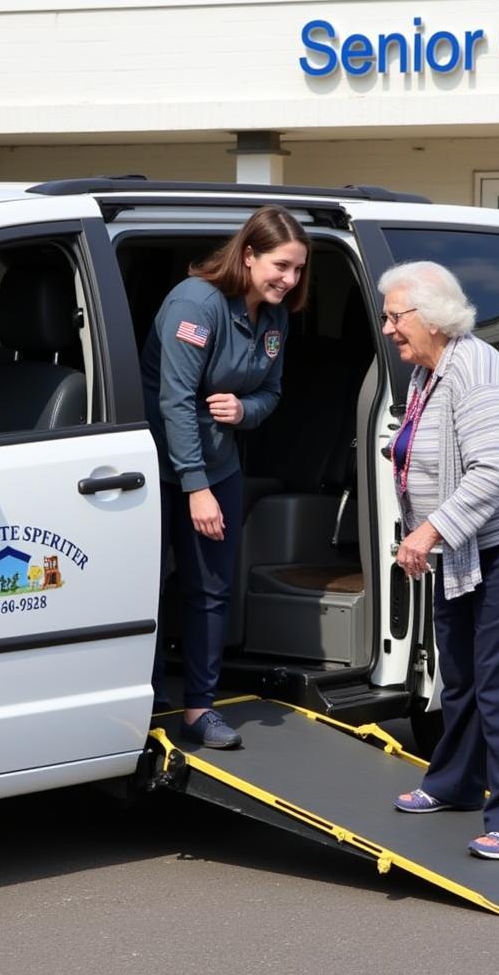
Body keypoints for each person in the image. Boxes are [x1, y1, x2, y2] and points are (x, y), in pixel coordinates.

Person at [380, 260, 499, 861]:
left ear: (433, 318)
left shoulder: (477, 372)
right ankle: (455, 782)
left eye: (394, 316)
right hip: (466, 545)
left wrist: (427, 531)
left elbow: (494, 471)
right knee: (459, 668)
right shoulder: (428, 371)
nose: (388, 329)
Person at [141, 206, 311, 748]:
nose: (290, 279)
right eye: (281, 266)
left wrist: (245, 410)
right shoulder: (197, 304)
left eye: (299, 270)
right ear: (248, 255)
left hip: (220, 465)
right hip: (160, 468)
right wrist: (195, 487)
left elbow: (274, 392)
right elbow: (174, 399)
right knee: (145, 587)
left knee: (211, 589)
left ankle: (200, 709)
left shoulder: (275, 316)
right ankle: (146, 695)